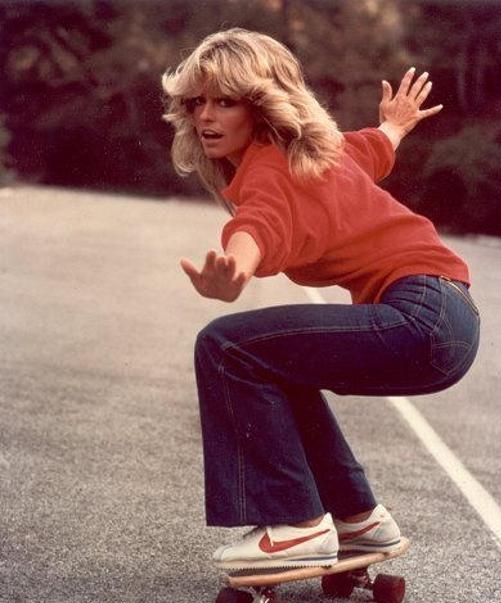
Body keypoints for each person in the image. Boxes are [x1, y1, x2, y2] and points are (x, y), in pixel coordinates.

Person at [162, 28, 480, 571]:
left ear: (261, 106)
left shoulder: (272, 168)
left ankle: (297, 525)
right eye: (196, 102)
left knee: (225, 347)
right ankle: (358, 519)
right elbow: (376, 148)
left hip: (418, 315)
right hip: (449, 319)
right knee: (277, 363)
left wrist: (235, 272)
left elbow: (258, 225)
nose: (205, 117)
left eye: (225, 102)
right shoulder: (323, 152)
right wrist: (396, 123)